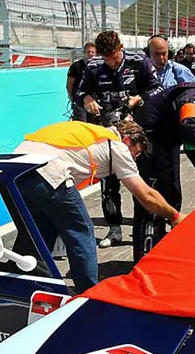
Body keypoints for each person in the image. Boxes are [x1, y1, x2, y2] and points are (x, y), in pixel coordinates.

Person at [14, 121, 182, 292]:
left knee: (38, 232)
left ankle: (19, 282)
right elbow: (146, 196)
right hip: (48, 171)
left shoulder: (95, 135)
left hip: (16, 170)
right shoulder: (117, 146)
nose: (134, 159)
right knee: (81, 231)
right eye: (136, 153)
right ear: (128, 140)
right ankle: (88, 294)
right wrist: (174, 216)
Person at [131, 81, 195, 261]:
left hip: (166, 144)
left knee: (172, 199)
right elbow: (189, 124)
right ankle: (144, 259)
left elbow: (192, 146)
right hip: (150, 143)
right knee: (152, 205)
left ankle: (163, 253)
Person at [76, 30, 161, 249]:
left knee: (137, 178)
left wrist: (139, 99)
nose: (112, 63)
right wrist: (87, 98)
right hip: (107, 131)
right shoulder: (94, 66)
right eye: (107, 59)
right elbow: (79, 92)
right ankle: (114, 229)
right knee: (109, 182)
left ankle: (141, 224)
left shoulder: (138, 61)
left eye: (114, 57)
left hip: (136, 131)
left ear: (121, 48)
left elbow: (157, 87)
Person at [66, 41, 96, 121]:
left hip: (93, 100)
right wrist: (72, 97)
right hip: (79, 100)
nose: (90, 54)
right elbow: (69, 84)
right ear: (84, 53)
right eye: (88, 52)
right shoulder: (76, 66)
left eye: (93, 52)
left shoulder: (98, 66)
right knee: (81, 122)